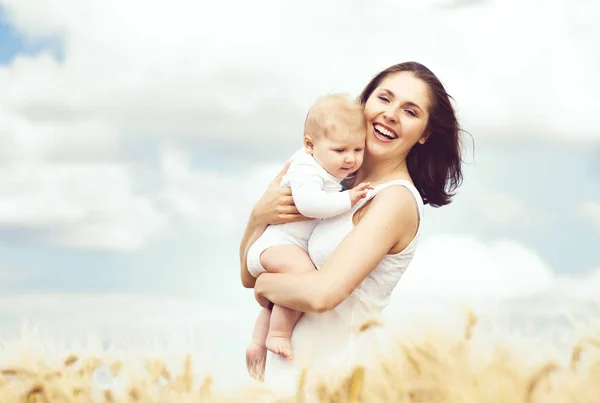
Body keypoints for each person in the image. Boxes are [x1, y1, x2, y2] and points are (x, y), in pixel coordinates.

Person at [239, 61, 464, 392]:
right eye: (384, 98)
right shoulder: (331, 186)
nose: (391, 114)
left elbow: (321, 294)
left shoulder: (395, 200)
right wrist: (257, 217)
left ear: (424, 135)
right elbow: (247, 273)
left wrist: (266, 288)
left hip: (333, 380)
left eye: (410, 112)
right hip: (288, 377)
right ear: (364, 103)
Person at [245, 94, 373, 377]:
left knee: (284, 293)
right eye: (340, 150)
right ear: (309, 145)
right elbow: (308, 204)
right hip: (277, 244)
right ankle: (278, 334)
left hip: (283, 246)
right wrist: (349, 199)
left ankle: (257, 344)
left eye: (357, 149)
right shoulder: (305, 168)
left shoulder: (323, 163)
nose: (350, 158)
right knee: (305, 278)